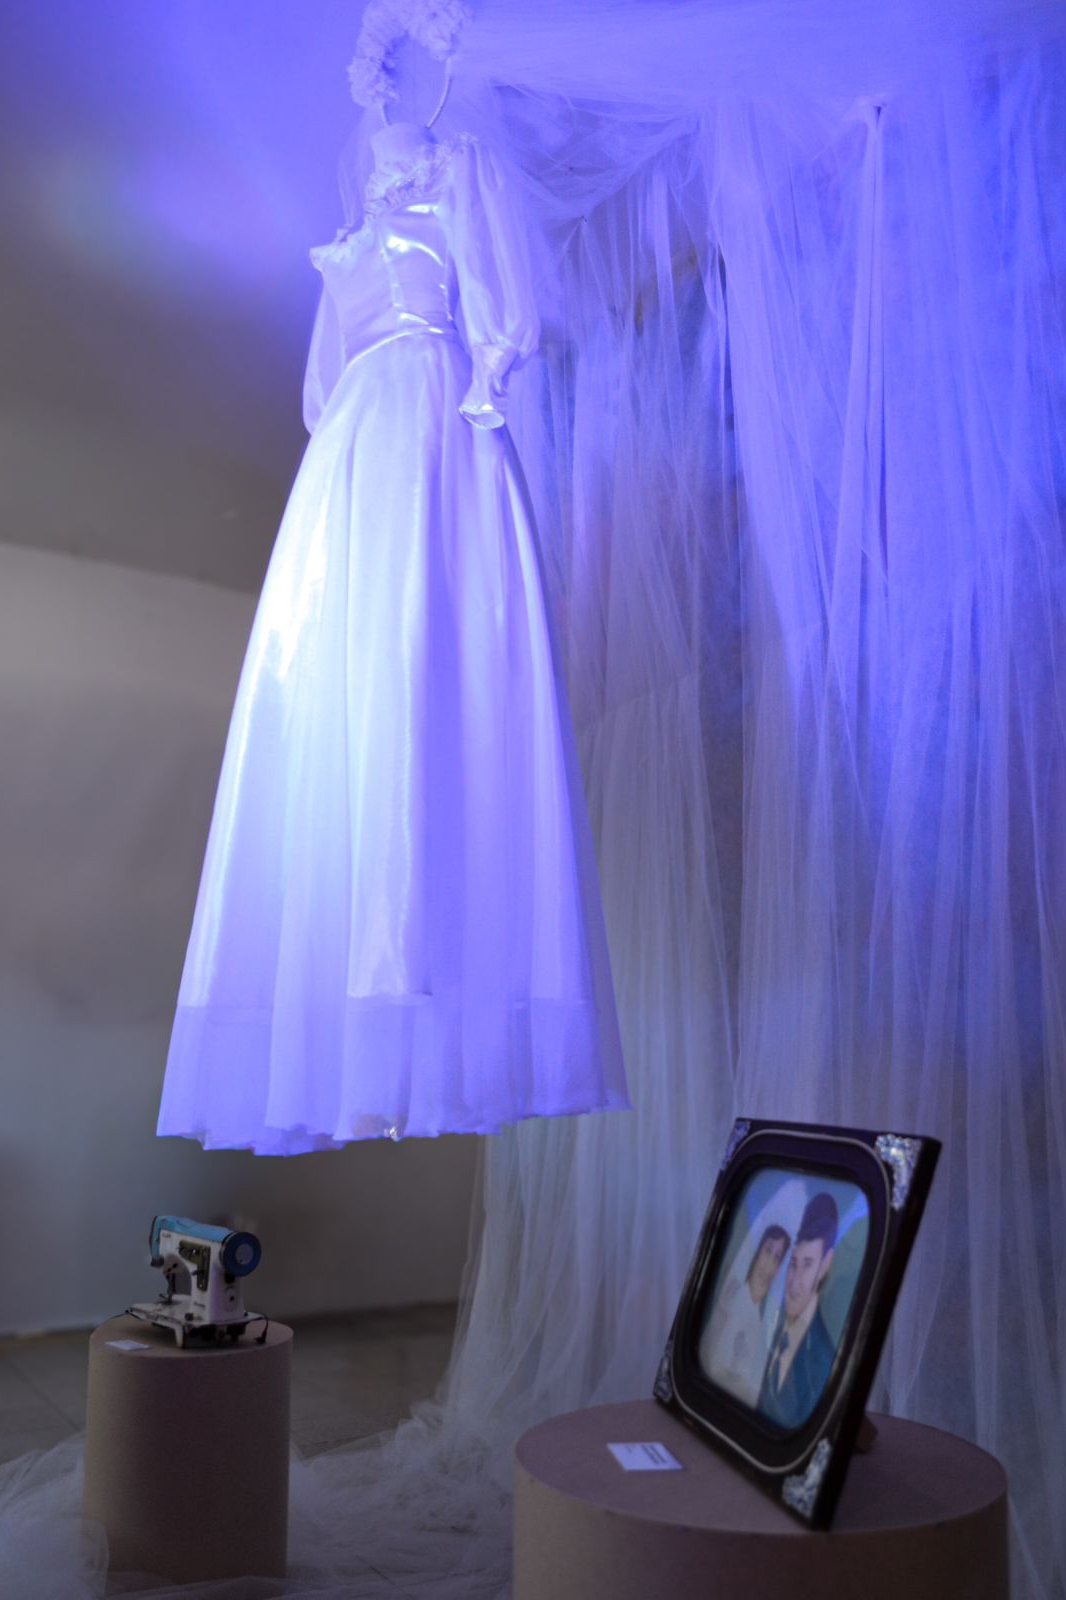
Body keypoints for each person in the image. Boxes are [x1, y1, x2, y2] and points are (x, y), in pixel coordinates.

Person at [156, 4, 629, 1153]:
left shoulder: (460, 172)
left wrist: (480, 379)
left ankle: (424, 969)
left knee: (431, 671)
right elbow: (323, 384)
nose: (377, 132)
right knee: (354, 701)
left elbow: (508, 314)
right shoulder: (349, 238)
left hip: (431, 426)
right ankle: (362, 1009)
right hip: (352, 463)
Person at [757, 1192, 838, 1429]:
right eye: (793, 1264)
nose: (793, 1283)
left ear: (825, 1265)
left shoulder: (824, 1361)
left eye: (807, 1265)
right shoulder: (769, 1324)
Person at [700, 1223, 790, 1407]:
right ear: (757, 1252)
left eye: (777, 1257)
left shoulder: (768, 1322)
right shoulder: (732, 1296)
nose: (769, 1263)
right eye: (768, 1250)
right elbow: (709, 1357)